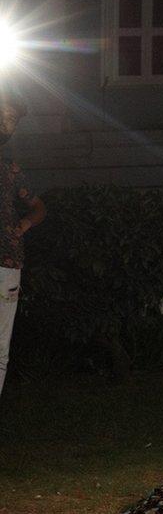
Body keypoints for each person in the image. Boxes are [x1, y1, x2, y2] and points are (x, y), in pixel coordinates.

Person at [0, 91, 46, 404]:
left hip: (8, 263)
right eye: (4, 115)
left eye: (12, 120)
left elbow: (38, 207)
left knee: (1, 345)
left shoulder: (11, 170)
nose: (7, 123)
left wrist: (24, 226)